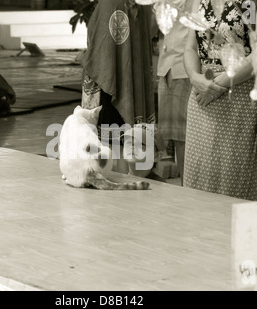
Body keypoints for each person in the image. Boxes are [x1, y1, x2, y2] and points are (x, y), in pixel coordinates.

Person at [183, 0, 257, 200]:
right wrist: (194, 76)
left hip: (242, 97)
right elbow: (190, 48)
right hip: (202, 98)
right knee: (200, 178)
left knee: (238, 179)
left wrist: (221, 83)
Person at [80, 0, 157, 176]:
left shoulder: (111, 2)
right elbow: (151, 31)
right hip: (132, 77)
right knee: (127, 139)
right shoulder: (143, 4)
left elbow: (100, 49)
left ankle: (117, 181)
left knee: (111, 139)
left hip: (109, 78)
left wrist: (88, 59)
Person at [156, 0, 194, 186]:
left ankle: (188, 186)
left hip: (184, 67)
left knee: (184, 136)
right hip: (168, 66)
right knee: (175, 136)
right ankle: (185, 185)